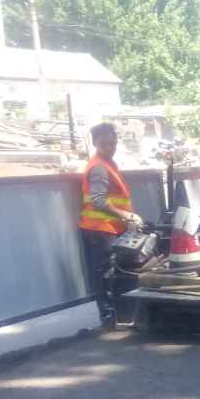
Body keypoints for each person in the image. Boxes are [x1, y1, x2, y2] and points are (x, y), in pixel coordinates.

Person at [79, 122, 143, 328]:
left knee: (111, 274)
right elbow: (99, 201)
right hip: (100, 230)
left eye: (113, 143)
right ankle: (109, 320)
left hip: (108, 229)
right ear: (95, 143)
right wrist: (126, 216)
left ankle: (116, 318)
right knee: (104, 276)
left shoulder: (108, 165)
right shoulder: (99, 168)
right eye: (104, 143)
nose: (110, 147)